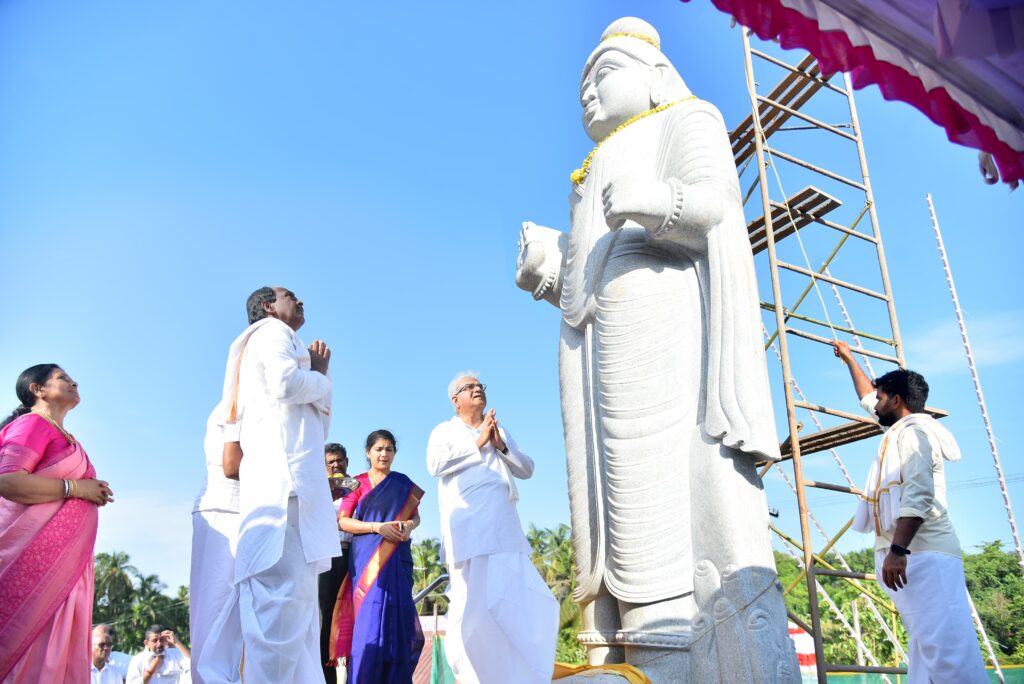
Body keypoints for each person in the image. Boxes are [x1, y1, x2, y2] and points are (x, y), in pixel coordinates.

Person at [513, 17, 796, 680]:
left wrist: (657, 200)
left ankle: (667, 644)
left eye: (603, 74)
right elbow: (585, 282)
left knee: (651, 478)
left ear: (656, 76)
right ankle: (613, 645)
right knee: (601, 499)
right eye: (580, 86)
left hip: (660, 322)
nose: (588, 93)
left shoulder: (686, 119)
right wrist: (548, 270)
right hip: (596, 345)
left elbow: (716, 208)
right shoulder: (587, 170)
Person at [198, 286, 338, 684]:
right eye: (290, 295)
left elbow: (315, 425)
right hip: (285, 488)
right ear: (267, 307)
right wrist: (320, 376)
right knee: (282, 608)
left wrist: (315, 379)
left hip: (284, 488)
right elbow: (286, 384)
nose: (301, 301)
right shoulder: (272, 331)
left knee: (294, 613)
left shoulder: (259, 347)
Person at [833, 341, 987, 683]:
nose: (876, 404)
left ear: (896, 400)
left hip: (923, 555)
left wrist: (898, 551)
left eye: (882, 398)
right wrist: (849, 358)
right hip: (910, 556)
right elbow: (867, 396)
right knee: (927, 658)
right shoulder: (899, 430)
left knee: (950, 655)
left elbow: (919, 495)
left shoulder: (915, 434)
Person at [426, 373, 558, 684]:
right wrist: (479, 441)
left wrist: (500, 445)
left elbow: (527, 469)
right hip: (466, 533)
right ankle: (471, 676)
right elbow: (435, 465)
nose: (477, 390)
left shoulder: (500, 430)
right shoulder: (444, 431)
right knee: (470, 607)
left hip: (503, 529)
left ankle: (519, 674)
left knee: (513, 599)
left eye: (480, 386)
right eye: (469, 387)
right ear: (455, 400)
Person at [0, 364, 114, 682]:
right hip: (32, 565)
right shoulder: (31, 424)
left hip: (66, 569)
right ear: (37, 389)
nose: (74, 382)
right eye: (63, 378)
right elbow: (9, 481)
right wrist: (76, 488)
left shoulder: (68, 439)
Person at [335, 429, 424, 683]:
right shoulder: (356, 484)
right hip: (367, 561)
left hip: (398, 557)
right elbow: (343, 521)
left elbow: (416, 516)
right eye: (379, 449)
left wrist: (410, 525)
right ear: (368, 452)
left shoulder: (403, 484)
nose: (384, 454)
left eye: (389, 449)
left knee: (397, 623)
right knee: (369, 624)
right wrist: (377, 527)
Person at [188, 402, 241, 684]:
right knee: (216, 611)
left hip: (254, 511)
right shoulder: (237, 402)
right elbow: (233, 465)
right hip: (225, 509)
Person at [319, 442, 355, 684]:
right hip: (326, 561)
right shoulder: (318, 489)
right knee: (326, 619)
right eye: (330, 462)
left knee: (352, 619)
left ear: (347, 462)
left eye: (339, 460)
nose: (335, 465)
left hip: (353, 558)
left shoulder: (358, 488)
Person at [126, 625, 191, 684]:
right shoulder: (137, 660)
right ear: (146, 643)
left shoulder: (174, 654)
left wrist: (176, 642)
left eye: (162, 640)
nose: (159, 644)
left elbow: (191, 664)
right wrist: (150, 671)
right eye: (155, 640)